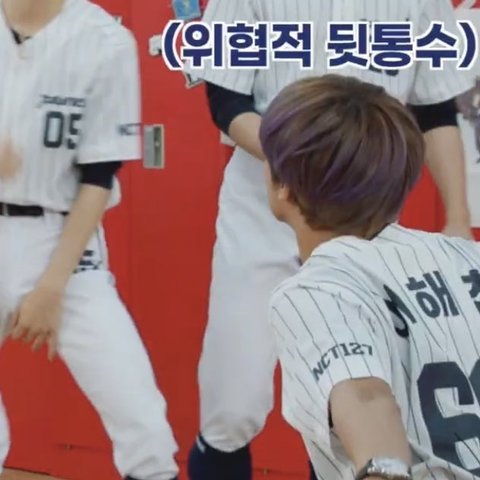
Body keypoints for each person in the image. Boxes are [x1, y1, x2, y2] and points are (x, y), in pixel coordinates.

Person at [187, 1, 474, 479]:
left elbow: (436, 109)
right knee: (233, 405)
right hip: (267, 207)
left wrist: (458, 220)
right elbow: (227, 101)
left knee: (352, 399)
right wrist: (308, 157)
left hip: (367, 217)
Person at [260, 73, 480, 480]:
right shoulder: (469, 256)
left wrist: (385, 468)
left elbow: (365, 396)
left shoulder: (314, 290)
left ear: (283, 187)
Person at [0, 1, 178, 479]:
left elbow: (99, 176)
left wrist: (51, 288)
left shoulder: (104, 39)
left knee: (140, 417)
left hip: (62, 238)